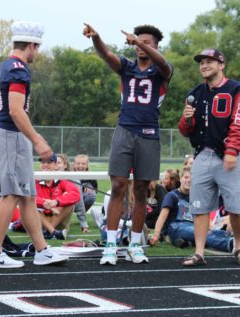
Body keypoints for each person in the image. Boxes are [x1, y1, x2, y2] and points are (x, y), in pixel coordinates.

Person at [83, 23, 173, 265]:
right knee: (118, 185)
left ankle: (135, 244)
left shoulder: (162, 70)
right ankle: (111, 244)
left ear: (155, 47)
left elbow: (163, 63)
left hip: (149, 133)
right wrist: (97, 38)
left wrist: (140, 42)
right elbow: (106, 55)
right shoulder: (127, 67)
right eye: (138, 41)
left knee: (142, 189)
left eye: (147, 43)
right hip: (125, 130)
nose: (141, 46)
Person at [0, 20, 68, 268]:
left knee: (28, 196)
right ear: (32, 45)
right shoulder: (18, 68)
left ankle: (41, 249)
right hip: (11, 135)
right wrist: (38, 140)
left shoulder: (7, 66)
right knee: (10, 195)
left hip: (12, 135)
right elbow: (16, 111)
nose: (37, 53)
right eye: (37, 48)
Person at [178, 48, 240, 266]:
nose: (204, 65)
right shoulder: (195, 93)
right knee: (199, 207)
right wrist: (186, 120)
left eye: (210, 61)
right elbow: (185, 130)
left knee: (235, 207)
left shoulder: (238, 91)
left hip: (228, 156)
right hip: (202, 155)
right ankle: (199, 252)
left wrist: (231, 152)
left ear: (222, 65)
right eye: (201, 62)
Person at [36, 153, 80, 240]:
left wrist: (56, 202)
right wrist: (44, 202)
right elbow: (25, 197)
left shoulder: (61, 180)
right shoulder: (34, 180)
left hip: (56, 218)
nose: (45, 165)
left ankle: (48, 231)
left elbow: (76, 194)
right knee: (30, 205)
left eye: (49, 162)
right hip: (40, 219)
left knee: (69, 202)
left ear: (56, 165)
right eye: (42, 162)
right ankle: (53, 232)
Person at [72, 154, 97, 232]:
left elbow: (96, 189)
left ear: (87, 165)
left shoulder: (90, 176)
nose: (80, 166)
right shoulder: (70, 175)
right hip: (72, 199)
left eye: (83, 164)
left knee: (91, 195)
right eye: (78, 163)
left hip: (83, 198)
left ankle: (83, 212)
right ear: (74, 165)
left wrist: (90, 188)